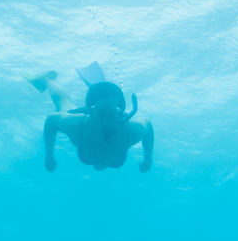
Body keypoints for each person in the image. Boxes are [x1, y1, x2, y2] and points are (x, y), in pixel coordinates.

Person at [25, 65, 153, 173]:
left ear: (121, 113)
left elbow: (148, 125)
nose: (106, 121)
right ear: (89, 112)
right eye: (100, 112)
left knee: (64, 103)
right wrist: (49, 156)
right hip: (81, 131)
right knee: (63, 102)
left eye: (111, 113)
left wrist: (148, 159)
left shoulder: (133, 129)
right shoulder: (76, 123)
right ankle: (47, 80)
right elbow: (51, 120)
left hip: (82, 134)